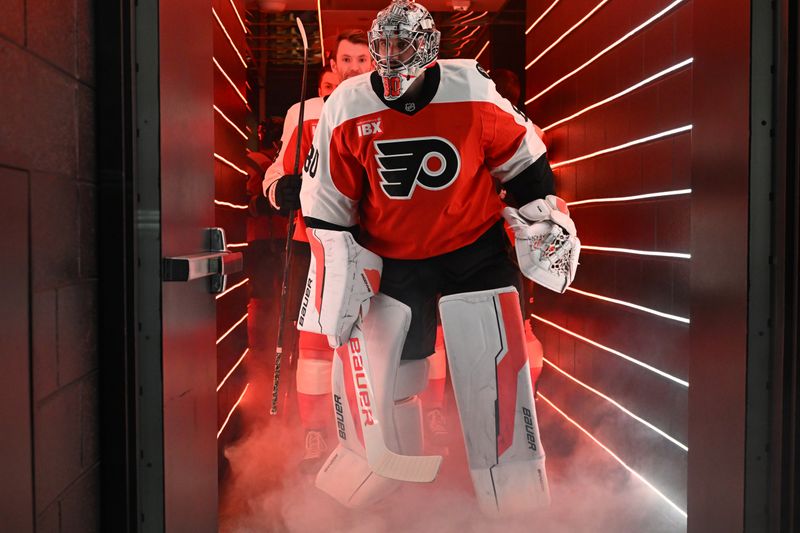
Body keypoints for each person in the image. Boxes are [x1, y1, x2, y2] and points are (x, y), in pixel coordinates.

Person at [298, 0, 579, 514]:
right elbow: (327, 203)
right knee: (390, 369)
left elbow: (524, 158)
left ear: (428, 49)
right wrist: (339, 269)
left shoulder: (470, 88)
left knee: (494, 365)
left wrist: (540, 215)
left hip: (475, 247)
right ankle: (380, 470)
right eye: (382, 46)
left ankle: (511, 482)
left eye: (401, 45)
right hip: (394, 256)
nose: (390, 57)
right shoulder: (347, 105)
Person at [262, 32, 371, 472]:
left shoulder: (395, 108)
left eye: (363, 59)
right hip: (317, 245)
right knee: (315, 344)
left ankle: (368, 436)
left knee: (372, 342)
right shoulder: (306, 113)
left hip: (378, 244)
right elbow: (278, 173)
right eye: (347, 58)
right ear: (333, 62)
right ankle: (315, 433)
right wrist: (279, 190)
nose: (354, 66)